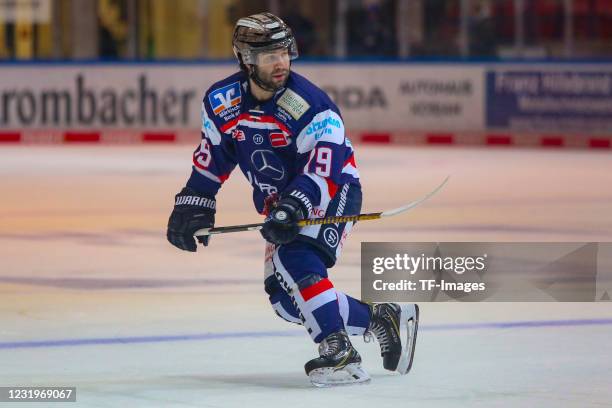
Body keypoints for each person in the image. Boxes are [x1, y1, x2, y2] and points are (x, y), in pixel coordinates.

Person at [166, 12, 419, 387]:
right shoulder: (221, 101)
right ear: (246, 60)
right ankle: (381, 318)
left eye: (284, 52)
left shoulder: (313, 106)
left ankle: (340, 354)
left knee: (294, 258)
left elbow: (322, 170)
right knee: (286, 301)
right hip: (283, 201)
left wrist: (293, 206)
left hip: (334, 189)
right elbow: (213, 157)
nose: (281, 62)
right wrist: (192, 201)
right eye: (269, 55)